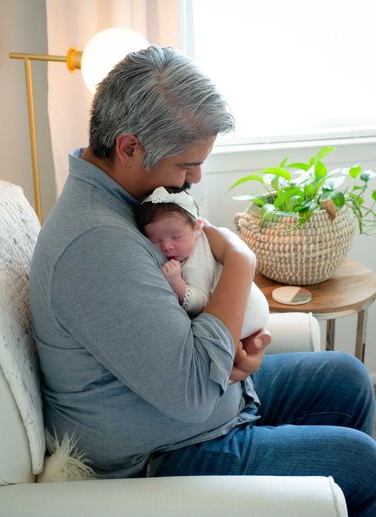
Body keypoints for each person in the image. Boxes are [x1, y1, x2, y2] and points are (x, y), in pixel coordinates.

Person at [29, 45, 376, 515]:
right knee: (361, 464)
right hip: (166, 452)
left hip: (200, 406)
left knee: (347, 377)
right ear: (129, 147)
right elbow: (192, 391)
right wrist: (241, 260)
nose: (194, 177)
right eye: (185, 165)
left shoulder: (132, 199)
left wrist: (228, 353)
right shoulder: (96, 244)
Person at [138, 186, 269, 338]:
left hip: (247, 316)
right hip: (253, 309)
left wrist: (177, 283)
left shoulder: (196, 264)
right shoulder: (193, 232)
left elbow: (200, 302)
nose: (166, 246)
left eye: (176, 237)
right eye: (156, 240)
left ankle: (243, 344)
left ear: (198, 228)